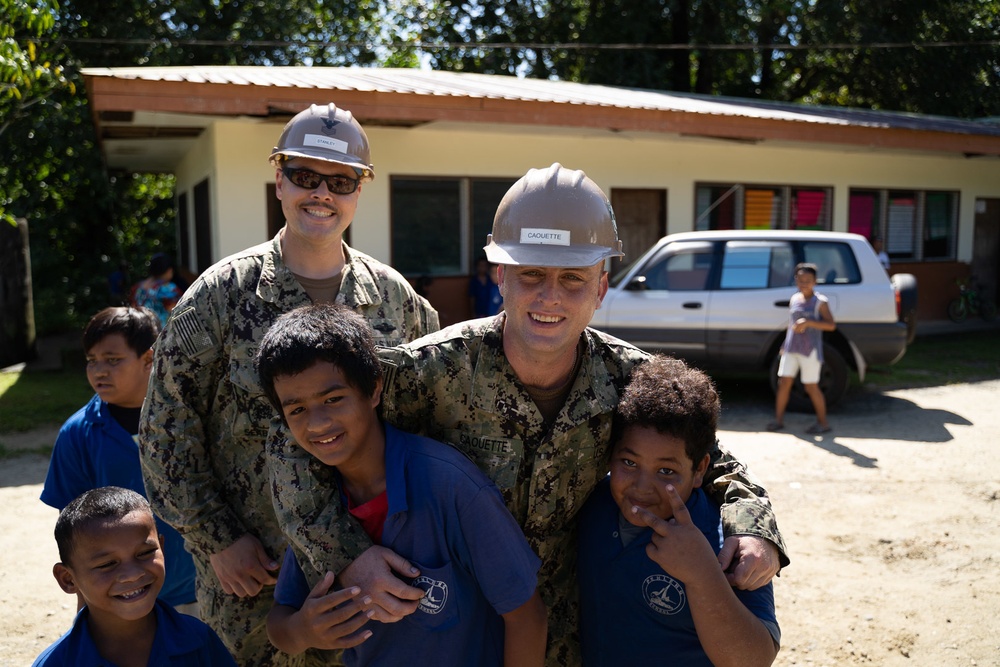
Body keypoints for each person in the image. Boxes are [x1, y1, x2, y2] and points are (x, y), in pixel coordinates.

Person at [268, 163, 788, 666]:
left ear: (602, 287)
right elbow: (299, 443)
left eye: (573, 279)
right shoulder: (427, 371)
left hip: (567, 639)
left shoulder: (628, 378)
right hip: (451, 631)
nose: (549, 297)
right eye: (531, 274)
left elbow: (712, 460)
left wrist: (754, 526)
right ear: (501, 275)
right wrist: (347, 551)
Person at [138, 102, 439, 667]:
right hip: (257, 577)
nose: (321, 193)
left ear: (359, 190)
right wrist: (216, 539)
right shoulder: (220, 295)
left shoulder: (397, 301)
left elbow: (431, 429)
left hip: (375, 572)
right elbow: (165, 432)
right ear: (279, 180)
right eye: (304, 176)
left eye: (340, 181)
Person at [258, 303, 546, 666]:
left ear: (374, 390)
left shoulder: (450, 486)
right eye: (296, 409)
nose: (317, 423)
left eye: (333, 399)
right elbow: (280, 621)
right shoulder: (314, 501)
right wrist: (305, 630)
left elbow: (527, 617)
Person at [578, 355, 780, 667]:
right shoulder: (593, 506)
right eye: (629, 463)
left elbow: (755, 659)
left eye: (666, 472)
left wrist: (702, 574)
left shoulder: (729, 543)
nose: (643, 487)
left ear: (700, 470)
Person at [41, 306, 196, 614]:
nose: (99, 371)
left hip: (199, 588)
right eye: (92, 361)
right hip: (122, 596)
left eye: (112, 360)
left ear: (149, 359)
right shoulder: (78, 434)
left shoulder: (188, 417)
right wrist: (88, 613)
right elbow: (75, 536)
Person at [32, 487, 236, 667]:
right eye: (107, 564)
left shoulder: (199, 641)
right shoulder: (56, 662)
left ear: (162, 550)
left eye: (145, 554)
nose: (133, 574)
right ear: (68, 579)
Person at [768, 263, 837, 434]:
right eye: (800, 279)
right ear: (796, 280)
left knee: (811, 386)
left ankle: (823, 423)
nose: (803, 283)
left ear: (815, 282)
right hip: (791, 349)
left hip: (810, 350)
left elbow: (831, 325)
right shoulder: (795, 298)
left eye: (808, 280)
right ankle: (778, 421)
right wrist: (784, 345)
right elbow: (792, 325)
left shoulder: (820, 302)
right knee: (783, 383)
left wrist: (809, 322)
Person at [130, 253, 183, 327]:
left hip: (140, 329)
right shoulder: (168, 289)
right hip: (160, 333)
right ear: (169, 270)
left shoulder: (137, 287)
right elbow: (179, 311)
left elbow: (132, 308)